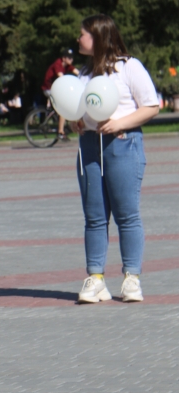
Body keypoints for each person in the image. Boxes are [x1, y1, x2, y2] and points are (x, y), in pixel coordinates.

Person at [71, 15, 159, 304]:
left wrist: (120, 123)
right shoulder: (84, 73)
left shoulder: (128, 67)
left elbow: (151, 106)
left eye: (82, 34)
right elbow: (82, 107)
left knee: (126, 214)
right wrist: (77, 121)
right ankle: (95, 279)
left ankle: (132, 277)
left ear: (98, 36)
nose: (78, 39)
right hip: (89, 146)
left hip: (123, 144)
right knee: (94, 217)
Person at [42, 49, 80, 141]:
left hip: (55, 89)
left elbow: (78, 73)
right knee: (63, 107)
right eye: (69, 58)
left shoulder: (68, 66)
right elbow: (62, 78)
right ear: (63, 58)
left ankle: (64, 124)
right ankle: (60, 132)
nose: (71, 59)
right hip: (48, 89)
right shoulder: (58, 64)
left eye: (72, 58)